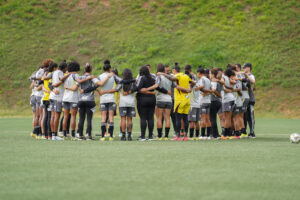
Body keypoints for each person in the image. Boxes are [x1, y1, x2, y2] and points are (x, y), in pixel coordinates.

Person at [158, 63, 194, 141]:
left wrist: (163, 74)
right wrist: (189, 89)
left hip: (179, 100)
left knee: (178, 118)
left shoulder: (178, 76)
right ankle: (185, 136)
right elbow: (192, 83)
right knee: (185, 118)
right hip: (187, 100)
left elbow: (173, 79)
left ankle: (177, 136)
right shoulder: (186, 76)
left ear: (174, 70)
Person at [141, 63, 174, 140]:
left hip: (160, 99)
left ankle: (159, 136)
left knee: (159, 118)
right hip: (169, 99)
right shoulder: (169, 78)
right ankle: (166, 136)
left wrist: (146, 89)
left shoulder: (159, 77)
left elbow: (156, 86)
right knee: (167, 118)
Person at [62, 61, 93, 140]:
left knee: (65, 116)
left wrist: (66, 87)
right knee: (73, 116)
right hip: (73, 98)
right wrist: (88, 78)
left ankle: (64, 134)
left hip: (65, 97)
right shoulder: (75, 75)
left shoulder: (66, 75)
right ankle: (73, 135)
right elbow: (75, 87)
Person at [95, 60, 116, 141]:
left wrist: (99, 91)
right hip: (111, 98)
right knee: (111, 117)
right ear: (109, 68)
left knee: (103, 117)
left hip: (103, 98)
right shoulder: (113, 76)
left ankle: (103, 137)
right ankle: (110, 136)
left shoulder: (100, 76)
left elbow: (94, 85)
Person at [77, 63, 99, 140]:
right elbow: (98, 84)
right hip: (89, 100)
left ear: (84, 69)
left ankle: (80, 135)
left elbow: (77, 85)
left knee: (81, 118)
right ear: (91, 69)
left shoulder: (80, 77)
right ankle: (89, 135)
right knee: (89, 119)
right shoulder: (92, 77)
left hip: (80, 100)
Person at [49, 60, 69, 140]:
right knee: (57, 116)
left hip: (52, 96)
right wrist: (68, 74)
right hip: (58, 97)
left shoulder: (54, 72)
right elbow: (61, 79)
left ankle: (52, 134)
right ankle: (55, 135)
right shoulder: (60, 72)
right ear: (64, 68)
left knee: (53, 116)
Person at [136, 66, 156, 141]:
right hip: (152, 99)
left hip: (142, 99)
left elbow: (138, 88)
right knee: (150, 117)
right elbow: (156, 88)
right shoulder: (153, 79)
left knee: (143, 117)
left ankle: (143, 136)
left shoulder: (142, 78)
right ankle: (150, 136)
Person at [196, 68, 212, 140]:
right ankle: (208, 135)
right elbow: (211, 90)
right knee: (208, 119)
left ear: (199, 73)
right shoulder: (208, 79)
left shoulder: (202, 79)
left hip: (203, 101)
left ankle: (202, 135)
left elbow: (202, 86)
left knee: (203, 119)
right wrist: (207, 93)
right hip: (208, 101)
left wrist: (197, 88)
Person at [185, 65, 200, 140]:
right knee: (196, 121)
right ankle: (197, 136)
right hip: (198, 104)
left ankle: (191, 136)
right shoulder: (196, 83)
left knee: (191, 121)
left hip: (192, 105)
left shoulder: (190, 85)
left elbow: (189, 92)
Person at [221, 67, 236, 140]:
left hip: (227, 100)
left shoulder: (223, 77)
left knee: (226, 118)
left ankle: (225, 134)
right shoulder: (228, 78)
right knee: (228, 118)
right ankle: (229, 134)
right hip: (231, 99)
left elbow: (223, 88)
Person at [243, 63, 256, 138]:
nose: (243, 69)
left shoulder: (251, 75)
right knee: (244, 116)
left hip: (250, 99)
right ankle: (244, 131)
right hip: (243, 99)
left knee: (250, 116)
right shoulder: (242, 75)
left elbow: (253, 82)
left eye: (245, 67)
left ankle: (252, 132)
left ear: (248, 68)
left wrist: (246, 75)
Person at [210, 68, 222, 139]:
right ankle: (216, 134)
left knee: (212, 118)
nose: (209, 75)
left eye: (210, 73)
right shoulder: (217, 82)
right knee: (213, 118)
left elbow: (218, 93)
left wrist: (213, 91)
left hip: (213, 101)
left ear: (213, 74)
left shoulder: (214, 82)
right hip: (217, 101)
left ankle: (213, 134)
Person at [29, 69, 38, 138]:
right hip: (36, 97)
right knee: (37, 116)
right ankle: (35, 131)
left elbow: (30, 87)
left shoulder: (34, 76)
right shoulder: (40, 76)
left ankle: (34, 131)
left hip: (32, 96)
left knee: (35, 116)